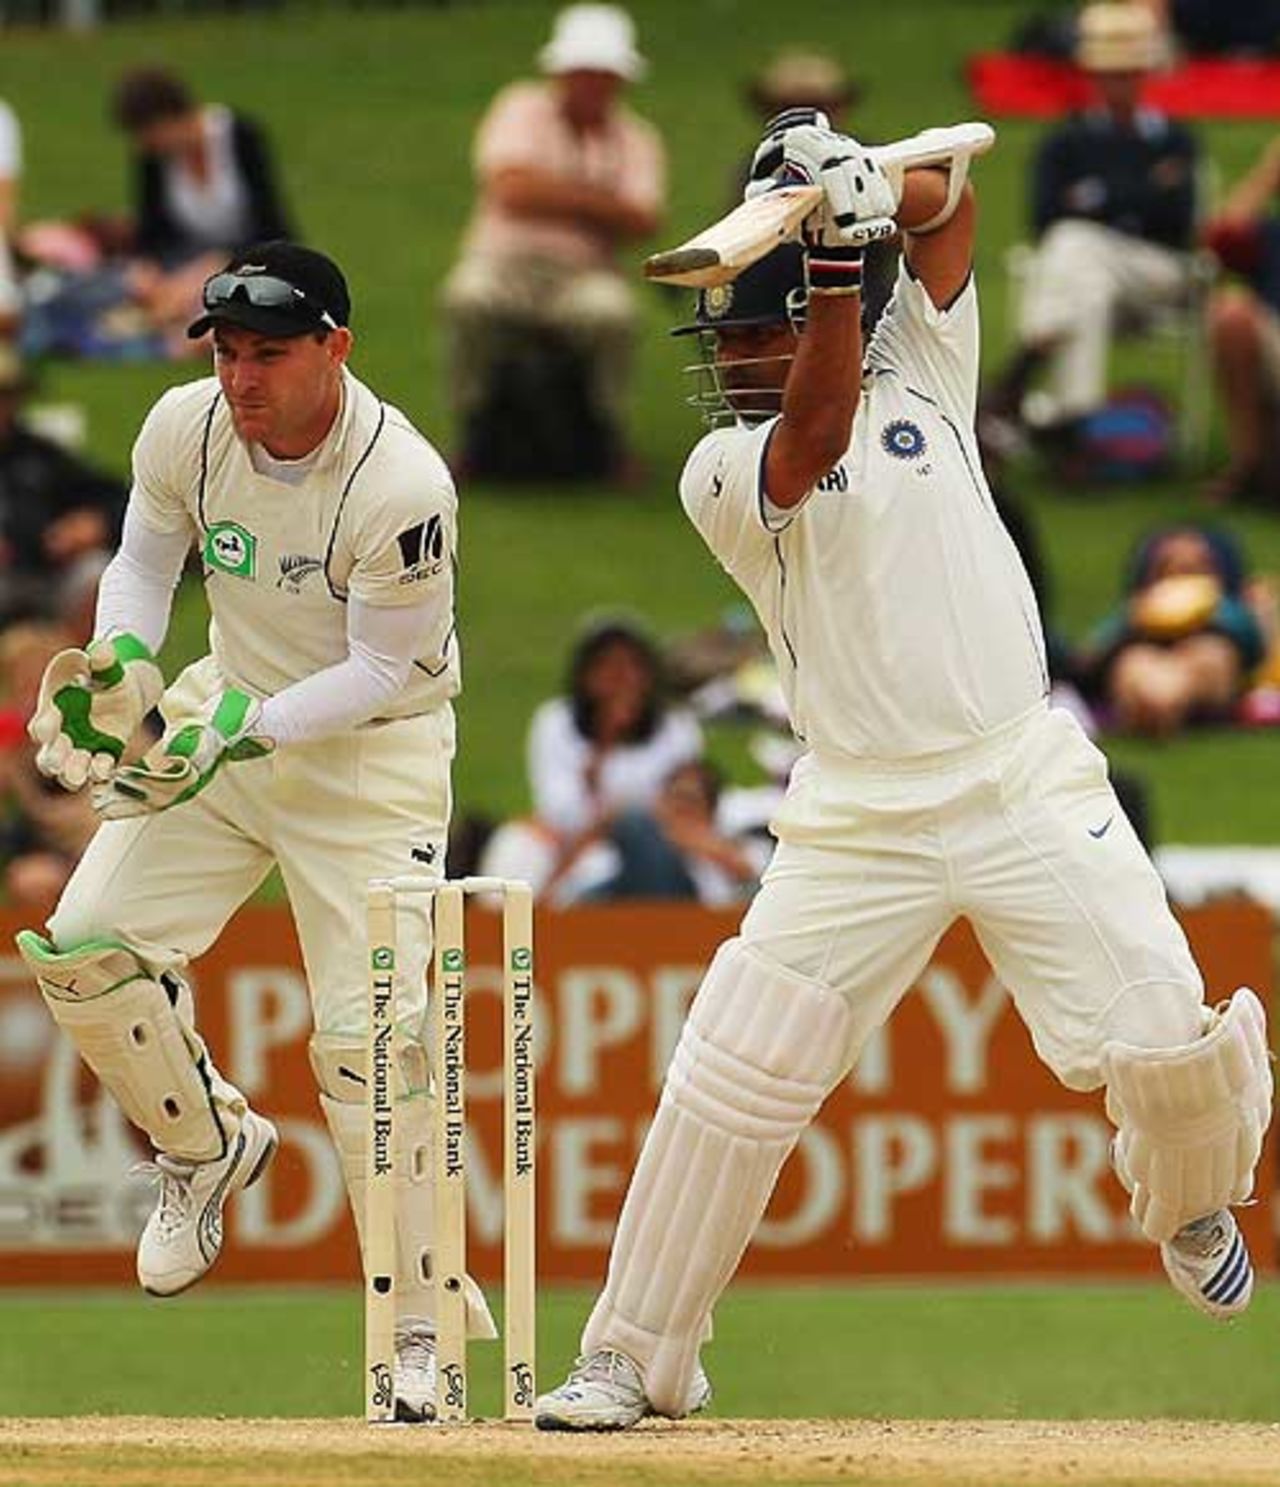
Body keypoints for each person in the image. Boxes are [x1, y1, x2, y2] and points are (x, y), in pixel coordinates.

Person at [534, 109, 1272, 1431]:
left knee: (1166, 1039)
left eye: (749, 335)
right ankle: (635, 1356)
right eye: (725, 343)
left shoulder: (924, 357)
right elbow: (812, 435)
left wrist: (861, 185)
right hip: (854, 812)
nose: (731, 362)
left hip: (1018, 774)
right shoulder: (721, 468)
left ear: (830, 308)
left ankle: (1189, 1199)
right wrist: (833, 251)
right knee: (732, 1070)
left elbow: (950, 206)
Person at [15, 240, 494, 1423]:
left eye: (268, 354)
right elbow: (141, 563)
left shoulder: (399, 483)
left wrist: (250, 724)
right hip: (223, 717)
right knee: (84, 945)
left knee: (373, 1045)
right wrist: (126, 664)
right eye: (227, 351)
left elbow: (381, 668)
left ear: (335, 348)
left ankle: (419, 1333)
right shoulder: (186, 427)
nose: (240, 377)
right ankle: (204, 1148)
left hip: (370, 756)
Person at [440, 3, 665, 482]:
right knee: (467, 299)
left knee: (613, 315)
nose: (591, 85)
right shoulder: (519, 107)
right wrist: (600, 202)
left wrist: (550, 191)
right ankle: (472, 434)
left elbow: (644, 220)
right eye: (583, 73)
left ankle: (608, 437)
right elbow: (511, 189)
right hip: (502, 265)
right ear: (561, 73)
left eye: (602, 75)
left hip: (583, 275)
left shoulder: (637, 137)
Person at [985, 2, 1200, 453]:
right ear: (1094, 78)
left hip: (1158, 272)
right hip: (1089, 276)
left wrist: (1098, 196)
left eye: (1129, 73)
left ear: (1144, 75)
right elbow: (1045, 215)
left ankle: (1027, 363)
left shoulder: (1177, 138)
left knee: (1075, 244)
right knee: (1084, 273)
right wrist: (1144, 191)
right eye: (1111, 74)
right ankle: (1073, 420)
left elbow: (1180, 220)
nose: (1120, 83)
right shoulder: (1064, 141)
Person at [477, 614, 703, 902]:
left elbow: (686, 807)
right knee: (516, 845)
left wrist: (622, 817)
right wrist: (605, 741)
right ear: (586, 675)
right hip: (581, 853)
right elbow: (559, 810)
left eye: (632, 666)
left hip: (661, 853)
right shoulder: (555, 721)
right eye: (609, 667)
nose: (622, 679)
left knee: (635, 826)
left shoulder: (676, 727)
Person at [112, 68, 294, 347]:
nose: (148, 145)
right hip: (185, 259)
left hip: (251, 256)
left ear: (172, 118)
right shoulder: (154, 159)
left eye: (151, 134)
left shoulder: (242, 137)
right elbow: (152, 232)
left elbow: (273, 226)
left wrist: (220, 263)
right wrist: (149, 269)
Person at [1075, 523, 1268, 733]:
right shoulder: (1135, 613)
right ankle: (1155, 704)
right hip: (1146, 658)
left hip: (1204, 658)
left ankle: (1163, 702)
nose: (1181, 572)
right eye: (1168, 566)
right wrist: (1137, 619)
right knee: (1135, 661)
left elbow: (1256, 646)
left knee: (1210, 654)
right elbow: (1090, 658)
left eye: (1196, 568)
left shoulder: (1227, 613)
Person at [0, 345, 126, 630]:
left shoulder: (40, 454)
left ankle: (76, 655)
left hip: (47, 572)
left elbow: (118, 497)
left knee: (97, 571)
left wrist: (94, 524)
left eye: (5, 396)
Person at [1201, 137, 1280, 505]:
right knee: (1231, 313)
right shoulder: (1271, 232)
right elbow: (1221, 238)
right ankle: (1249, 464)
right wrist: (1268, 174)